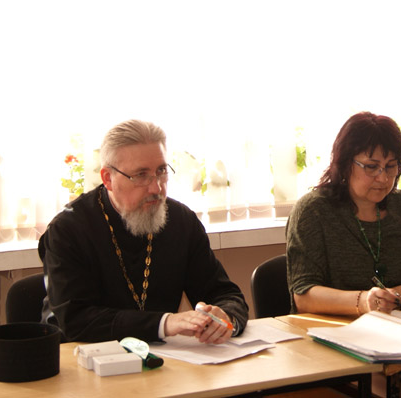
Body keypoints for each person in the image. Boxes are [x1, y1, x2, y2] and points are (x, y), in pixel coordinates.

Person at [287, 112, 401, 398]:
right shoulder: (314, 211)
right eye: (371, 167)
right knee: (389, 394)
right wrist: (363, 302)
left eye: (391, 166)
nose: (383, 178)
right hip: (338, 339)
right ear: (345, 163)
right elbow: (304, 295)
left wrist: (393, 296)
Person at [39, 119, 248, 344]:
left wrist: (226, 317)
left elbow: (225, 294)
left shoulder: (181, 221)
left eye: (161, 171)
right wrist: (164, 323)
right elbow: (76, 320)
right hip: (82, 357)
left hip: (164, 358)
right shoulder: (68, 229)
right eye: (141, 175)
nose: (156, 187)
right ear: (108, 178)